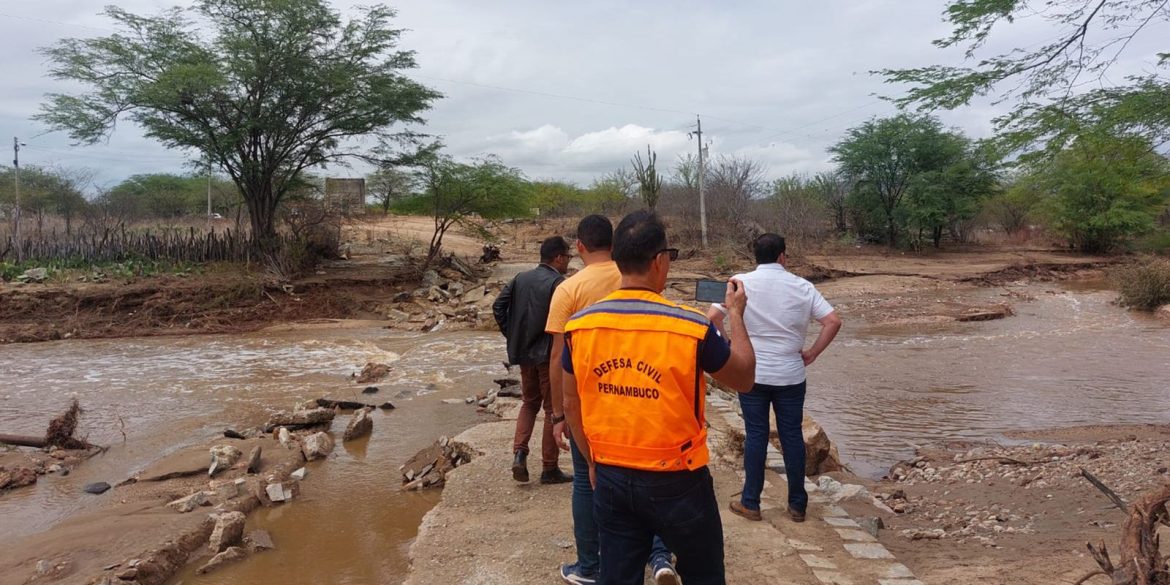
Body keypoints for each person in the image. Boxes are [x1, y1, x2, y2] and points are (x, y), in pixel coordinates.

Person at [562, 210, 757, 585]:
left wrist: (591, 461)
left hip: (611, 476)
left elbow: (572, 405)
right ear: (659, 260)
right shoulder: (690, 327)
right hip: (679, 481)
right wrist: (736, 314)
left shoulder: (580, 327)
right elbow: (745, 378)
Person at [545, 215, 677, 585]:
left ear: (580, 246)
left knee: (588, 484)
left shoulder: (569, 289)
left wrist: (558, 415)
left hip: (589, 404)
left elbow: (559, 358)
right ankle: (659, 555)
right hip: (641, 392)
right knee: (649, 476)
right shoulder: (636, 277)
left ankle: (590, 565)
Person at [709, 233, 842, 523]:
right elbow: (832, 321)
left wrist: (730, 344)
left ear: (754, 256)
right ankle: (797, 505)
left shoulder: (739, 282)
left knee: (756, 435)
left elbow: (712, 317)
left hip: (752, 373)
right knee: (791, 435)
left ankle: (751, 502)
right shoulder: (802, 286)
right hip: (790, 373)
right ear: (783, 256)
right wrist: (812, 353)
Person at [493, 236, 573, 484]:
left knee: (529, 403)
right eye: (567, 257)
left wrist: (512, 334)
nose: (568, 262)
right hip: (548, 355)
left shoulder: (520, 278)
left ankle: (519, 454)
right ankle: (549, 468)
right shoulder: (559, 283)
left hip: (524, 353)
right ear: (558, 257)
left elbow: (498, 307)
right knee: (551, 410)